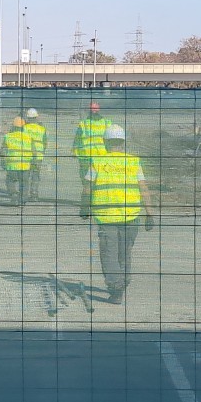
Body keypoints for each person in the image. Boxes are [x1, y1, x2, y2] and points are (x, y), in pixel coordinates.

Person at [80, 124, 155, 304]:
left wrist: (84, 208)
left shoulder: (97, 162)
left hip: (107, 218)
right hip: (131, 217)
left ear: (105, 142)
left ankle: (116, 289)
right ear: (123, 142)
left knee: (109, 255)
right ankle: (123, 282)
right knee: (125, 253)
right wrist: (150, 213)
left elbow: (87, 189)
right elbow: (144, 189)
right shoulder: (133, 162)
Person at [72, 102, 112, 184]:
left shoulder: (84, 124)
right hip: (101, 157)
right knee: (100, 181)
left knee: (87, 183)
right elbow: (112, 140)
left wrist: (75, 153)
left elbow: (77, 140)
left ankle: (87, 195)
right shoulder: (106, 123)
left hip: (87, 158)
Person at [2, 116, 35, 206]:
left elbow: (3, 151)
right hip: (24, 165)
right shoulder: (28, 137)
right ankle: (23, 199)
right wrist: (33, 163)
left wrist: (2, 162)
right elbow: (34, 151)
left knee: (10, 181)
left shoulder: (8, 136)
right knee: (24, 182)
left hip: (12, 164)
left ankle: (13, 194)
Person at [22, 108, 47, 201]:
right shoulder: (42, 128)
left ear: (27, 117)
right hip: (38, 156)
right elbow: (45, 142)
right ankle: (34, 195)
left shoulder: (24, 128)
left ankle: (24, 194)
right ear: (36, 117)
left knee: (26, 175)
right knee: (35, 175)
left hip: (26, 156)